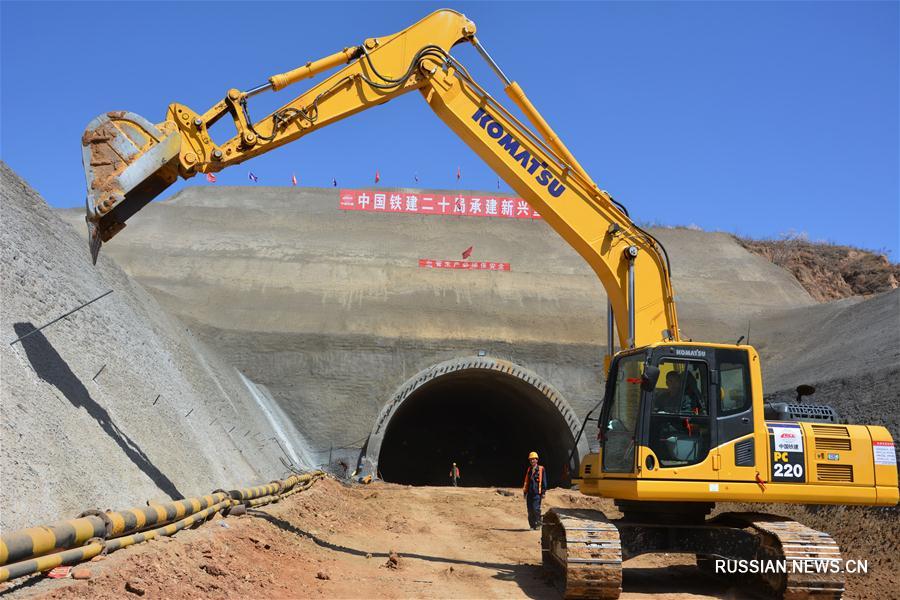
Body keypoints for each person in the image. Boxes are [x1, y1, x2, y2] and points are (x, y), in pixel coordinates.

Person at [522, 451, 547, 529]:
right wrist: (525, 492)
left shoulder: (541, 469)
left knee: (536, 509)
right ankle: (532, 525)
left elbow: (544, 481)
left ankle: (538, 524)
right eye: (531, 459)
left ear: (537, 460)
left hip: (537, 493)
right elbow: (527, 481)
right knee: (530, 510)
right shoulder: (529, 469)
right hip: (530, 493)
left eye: (533, 459)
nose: (532, 461)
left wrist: (543, 492)